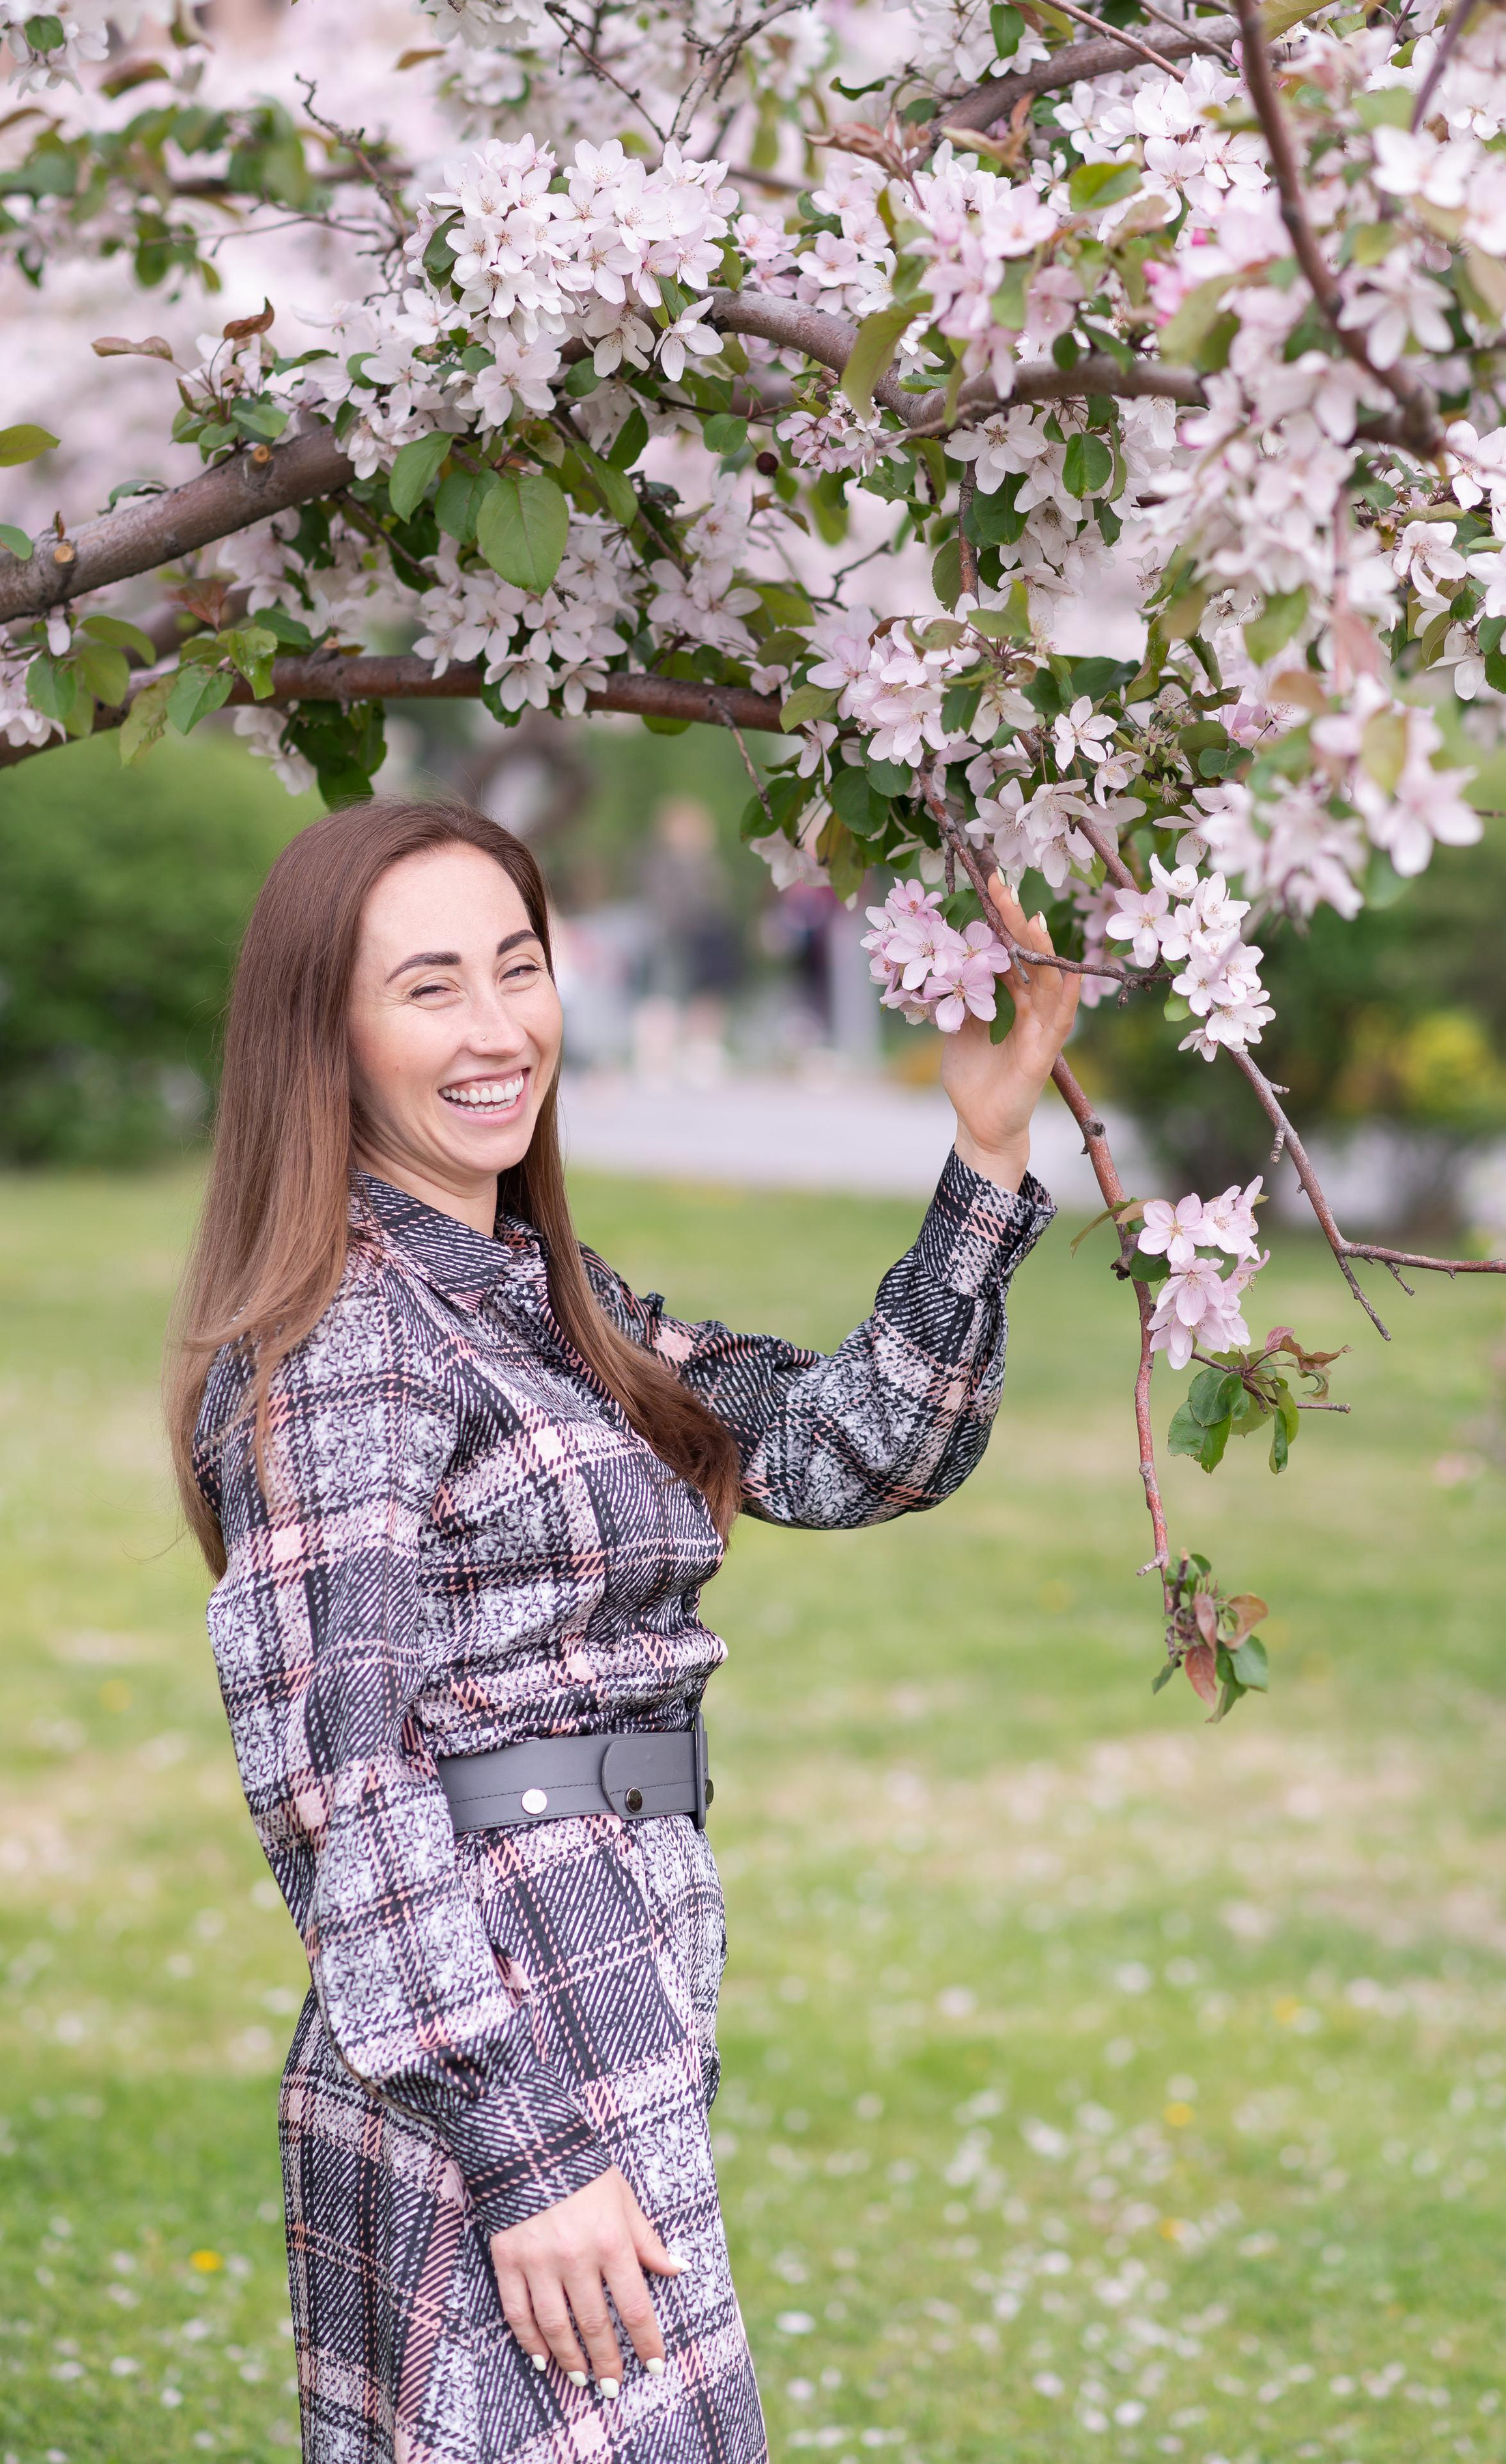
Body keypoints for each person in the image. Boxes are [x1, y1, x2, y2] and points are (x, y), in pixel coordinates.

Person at [165, 798, 1077, 2464]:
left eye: (520, 966)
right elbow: (334, 1771)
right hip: (494, 2010)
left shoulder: (535, 1294)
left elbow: (842, 1447)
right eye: (428, 986)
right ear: (327, 1030)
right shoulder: (354, 1335)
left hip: (616, 1961)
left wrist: (989, 1148)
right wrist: (521, 2149)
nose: (500, 1026)